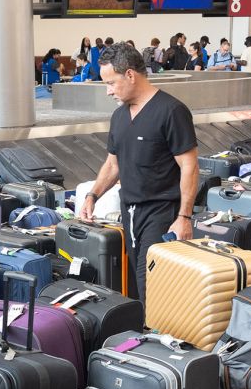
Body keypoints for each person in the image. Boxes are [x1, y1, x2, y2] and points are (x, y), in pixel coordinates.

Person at [79, 43, 198, 301]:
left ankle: (158, 337)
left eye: (111, 83)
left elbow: (189, 166)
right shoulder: (119, 117)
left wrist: (184, 217)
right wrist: (92, 196)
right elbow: (113, 165)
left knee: (153, 287)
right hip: (130, 213)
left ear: (130, 75)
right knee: (138, 284)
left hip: (162, 212)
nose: (108, 91)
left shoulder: (171, 111)